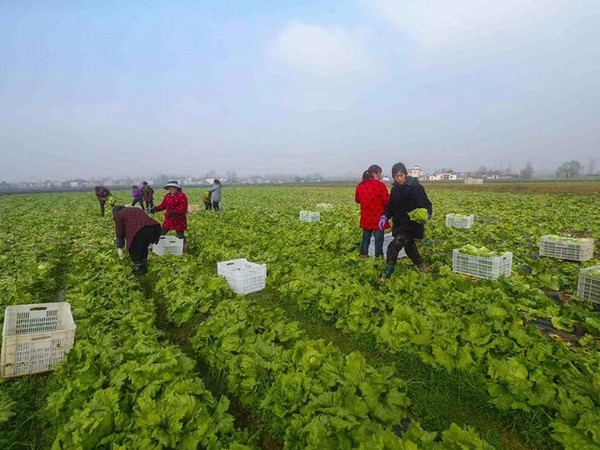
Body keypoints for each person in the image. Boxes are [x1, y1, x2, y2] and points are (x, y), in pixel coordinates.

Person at [379, 162, 433, 279]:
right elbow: (390, 206)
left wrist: (426, 215)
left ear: (405, 174)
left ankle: (386, 274)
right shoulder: (395, 190)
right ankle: (422, 267)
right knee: (410, 248)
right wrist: (385, 216)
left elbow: (426, 205)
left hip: (412, 224)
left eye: (401, 175)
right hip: (399, 223)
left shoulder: (415, 188)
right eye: (396, 176)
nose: (399, 178)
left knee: (395, 245)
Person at [112, 205, 161, 275]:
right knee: (144, 247)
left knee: (134, 249)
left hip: (139, 231)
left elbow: (120, 233)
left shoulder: (119, 215)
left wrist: (120, 247)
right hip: (152, 228)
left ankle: (140, 270)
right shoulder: (134, 209)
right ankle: (144, 263)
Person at [354, 165, 390, 258]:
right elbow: (386, 200)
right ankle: (378, 257)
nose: (381, 175)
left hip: (366, 216)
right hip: (378, 217)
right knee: (378, 239)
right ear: (375, 174)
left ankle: (363, 255)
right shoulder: (380, 185)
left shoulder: (360, 185)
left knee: (366, 238)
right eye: (380, 173)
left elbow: (357, 199)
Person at [150, 180, 189, 246]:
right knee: (162, 232)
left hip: (179, 219)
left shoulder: (181, 196)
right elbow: (163, 205)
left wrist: (174, 212)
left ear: (176, 188)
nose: (170, 189)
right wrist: (156, 209)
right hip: (169, 218)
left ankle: (183, 247)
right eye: (169, 188)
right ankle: (156, 246)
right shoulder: (168, 196)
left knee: (180, 235)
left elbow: (183, 208)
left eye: (172, 187)